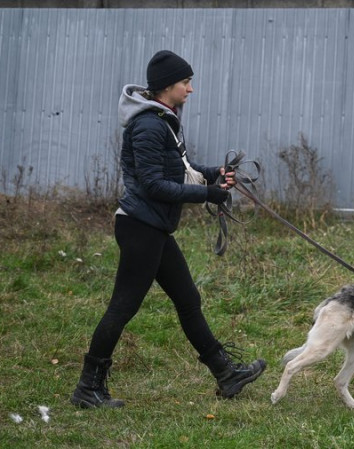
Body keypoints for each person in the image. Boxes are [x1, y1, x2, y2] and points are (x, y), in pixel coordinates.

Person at [71, 50, 266, 409]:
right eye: (186, 82)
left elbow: (181, 167)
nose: (191, 89)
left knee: (188, 300)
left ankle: (227, 374)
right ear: (167, 87)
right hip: (140, 228)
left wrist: (215, 175)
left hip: (154, 228)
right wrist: (208, 194)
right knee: (123, 307)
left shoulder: (163, 120)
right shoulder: (147, 125)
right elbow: (153, 185)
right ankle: (88, 388)